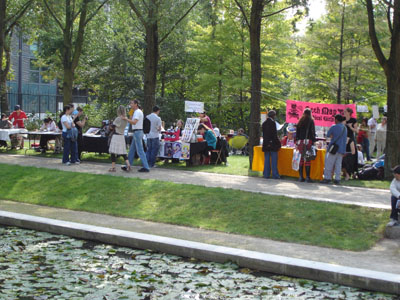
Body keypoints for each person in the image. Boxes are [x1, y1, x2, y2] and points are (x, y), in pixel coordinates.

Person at [122, 99, 150, 172]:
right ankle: (128, 165)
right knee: (131, 150)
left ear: (136, 104)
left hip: (138, 132)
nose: (130, 105)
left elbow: (134, 122)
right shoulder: (135, 112)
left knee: (140, 150)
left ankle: (146, 167)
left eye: (131, 103)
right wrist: (130, 115)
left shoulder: (137, 112)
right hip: (136, 132)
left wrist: (126, 119)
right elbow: (133, 122)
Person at [320, 114, 347, 184]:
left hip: (333, 148)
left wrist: (333, 136)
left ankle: (327, 178)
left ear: (337, 120)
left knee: (329, 163)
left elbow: (328, 135)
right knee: (338, 165)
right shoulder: (345, 128)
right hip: (342, 149)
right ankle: (337, 179)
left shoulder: (333, 127)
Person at [295, 108, 316, 182]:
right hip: (308, 141)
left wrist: (296, 141)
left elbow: (297, 133)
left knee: (301, 159)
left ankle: (300, 177)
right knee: (307, 159)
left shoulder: (300, 121)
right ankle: (307, 177)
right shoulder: (311, 121)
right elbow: (312, 132)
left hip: (300, 141)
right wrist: (313, 141)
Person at [108, 105, 131, 172]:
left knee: (113, 152)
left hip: (116, 136)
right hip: (122, 136)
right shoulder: (125, 119)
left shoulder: (118, 118)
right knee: (123, 152)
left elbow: (112, 127)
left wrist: (110, 125)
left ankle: (113, 167)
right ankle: (128, 164)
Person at [262, 110, 281, 179]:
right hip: (272, 144)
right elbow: (274, 135)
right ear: (273, 116)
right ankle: (275, 174)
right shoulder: (273, 123)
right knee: (274, 160)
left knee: (266, 160)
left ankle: (266, 174)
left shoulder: (264, 123)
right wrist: (278, 143)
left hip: (266, 143)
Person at [344, 107, 358, 176]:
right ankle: (345, 171)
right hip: (344, 138)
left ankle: (352, 171)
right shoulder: (343, 119)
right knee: (345, 155)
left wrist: (350, 127)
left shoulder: (353, 120)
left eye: (345, 111)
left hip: (351, 138)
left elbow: (356, 130)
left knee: (352, 154)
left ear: (349, 112)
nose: (344, 113)